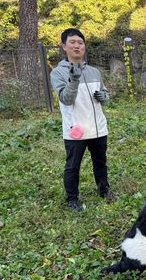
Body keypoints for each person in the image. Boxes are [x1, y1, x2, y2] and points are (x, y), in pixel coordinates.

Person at [50, 28, 117, 211]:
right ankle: (72, 199)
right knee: (72, 166)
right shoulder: (58, 73)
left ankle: (104, 190)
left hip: (97, 127)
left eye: (80, 42)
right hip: (75, 129)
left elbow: (104, 93)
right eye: (72, 42)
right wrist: (74, 79)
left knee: (100, 162)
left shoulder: (94, 71)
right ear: (64, 46)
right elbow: (66, 99)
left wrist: (105, 97)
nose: (77, 46)